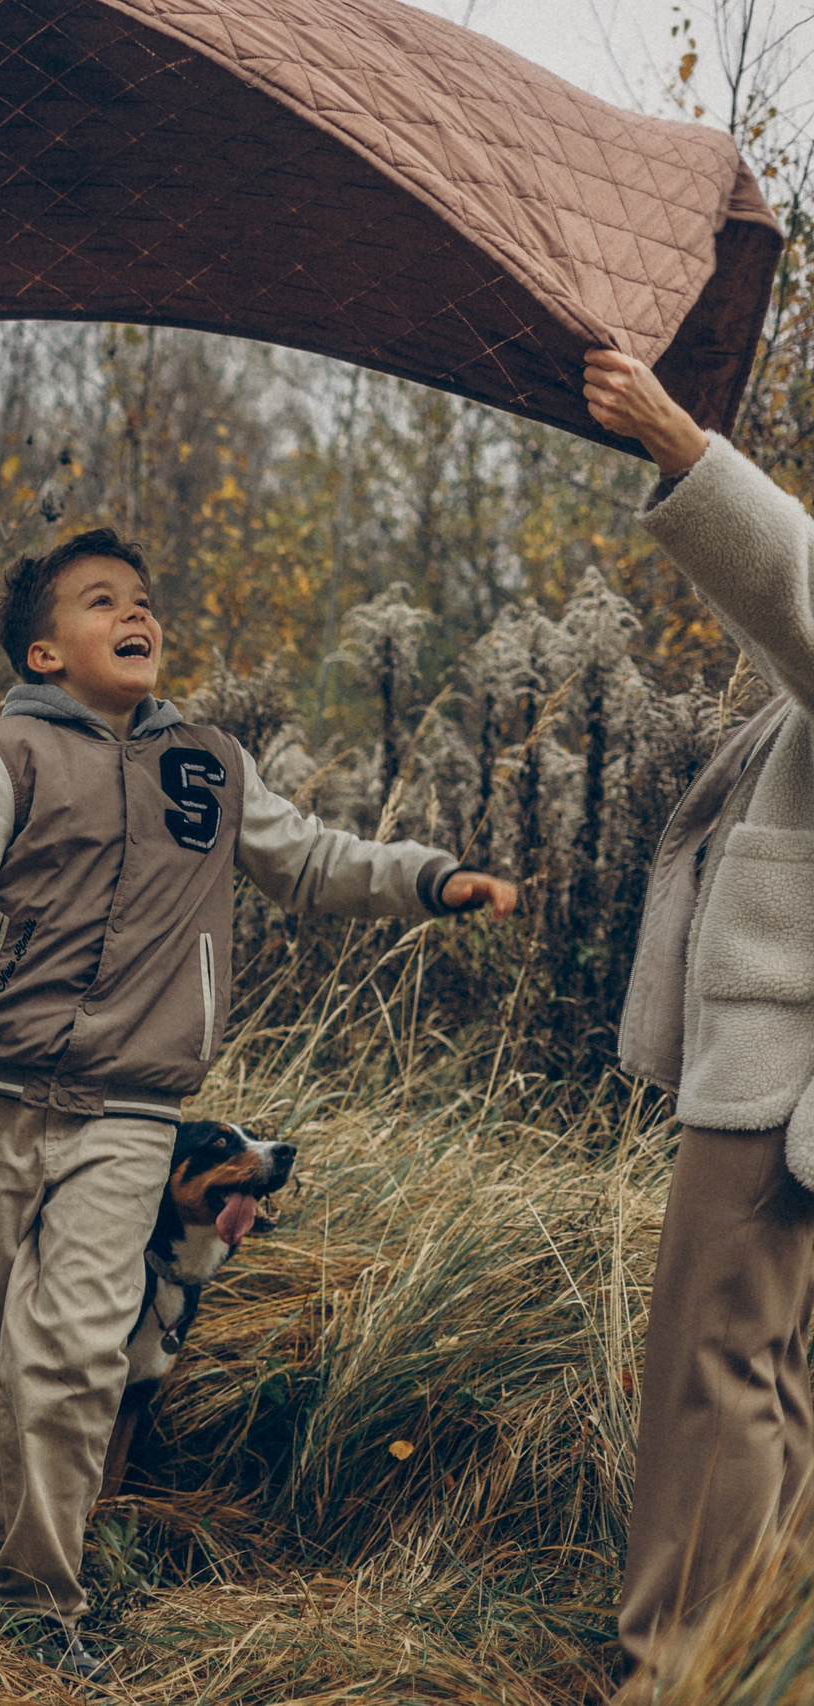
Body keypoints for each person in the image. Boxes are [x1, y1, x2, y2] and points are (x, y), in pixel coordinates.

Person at [0, 529, 518, 1677]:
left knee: (70, 1355)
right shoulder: (4, 751)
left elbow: (307, 860)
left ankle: (39, 1594)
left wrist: (422, 876)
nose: (138, 614)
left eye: (146, 599)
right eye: (102, 600)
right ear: (42, 649)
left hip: (131, 1110)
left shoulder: (207, 761)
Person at [584, 347, 814, 1702]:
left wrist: (685, 447)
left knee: (719, 1364)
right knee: (770, 1368)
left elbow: (802, 597)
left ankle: (675, 1677)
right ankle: (764, 1664)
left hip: (789, 1060)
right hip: (782, 1043)